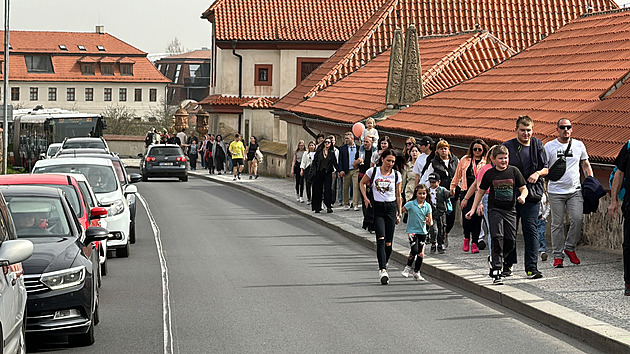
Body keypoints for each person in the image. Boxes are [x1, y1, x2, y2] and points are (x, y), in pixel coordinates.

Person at [466, 145, 528, 284]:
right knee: (497, 237)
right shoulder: (490, 174)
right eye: (500, 158)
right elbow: (480, 192)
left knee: (510, 241)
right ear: (493, 159)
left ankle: (496, 259)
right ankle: (496, 270)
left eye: (505, 158)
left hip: (510, 211)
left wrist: (523, 197)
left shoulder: (514, 171)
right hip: (495, 210)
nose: (504, 161)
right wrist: (473, 207)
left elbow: (524, 188)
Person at [544, 118, 593, 268]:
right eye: (562, 127)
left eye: (568, 127)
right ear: (557, 129)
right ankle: (558, 256)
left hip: (575, 191)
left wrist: (591, 181)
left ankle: (569, 248)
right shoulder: (549, 146)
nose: (565, 129)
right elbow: (544, 168)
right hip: (555, 191)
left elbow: (585, 163)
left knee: (577, 219)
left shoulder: (579, 145)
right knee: (557, 224)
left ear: (572, 129)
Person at [503, 115, 548, 279]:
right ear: (516, 130)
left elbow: (546, 168)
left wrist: (537, 173)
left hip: (532, 195)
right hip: (512, 195)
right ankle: (507, 265)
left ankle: (531, 267)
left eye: (529, 130)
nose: (526, 134)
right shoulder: (508, 146)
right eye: (522, 130)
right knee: (510, 231)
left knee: (531, 230)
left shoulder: (537, 145)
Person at [360, 149, 402, 284]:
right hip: (377, 208)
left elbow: (398, 195)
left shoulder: (396, 174)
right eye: (388, 160)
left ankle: (385, 260)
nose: (390, 163)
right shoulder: (373, 171)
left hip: (390, 208)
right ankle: (382, 270)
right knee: (381, 239)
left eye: (393, 161)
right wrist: (366, 198)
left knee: (389, 243)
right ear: (382, 159)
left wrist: (399, 212)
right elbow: (361, 183)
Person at [421, 139, 459, 249]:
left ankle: (445, 233)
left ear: (448, 149)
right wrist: (425, 191)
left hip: (452, 192)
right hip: (437, 194)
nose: (443, 151)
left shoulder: (455, 160)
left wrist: (459, 187)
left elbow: (459, 174)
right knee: (438, 218)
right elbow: (428, 177)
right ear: (437, 151)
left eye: (445, 148)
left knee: (451, 216)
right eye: (441, 149)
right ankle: (437, 239)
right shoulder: (434, 162)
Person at [452, 139, 488, 254]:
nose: (477, 151)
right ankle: (466, 238)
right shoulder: (464, 160)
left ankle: (475, 242)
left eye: (479, 149)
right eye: (475, 149)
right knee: (467, 217)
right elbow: (457, 175)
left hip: (479, 193)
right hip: (465, 191)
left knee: (478, 218)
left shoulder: (485, 162)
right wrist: (453, 186)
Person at [609, 141, 630, 296]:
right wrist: (613, 200)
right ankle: (629, 282)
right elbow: (619, 173)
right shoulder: (629, 146)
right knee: (629, 244)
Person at [401, 184, 433, 281]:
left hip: (422, 232)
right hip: (412, 231)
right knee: (414, 249)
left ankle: (417, 272)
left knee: (421, 253)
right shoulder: (411, 204)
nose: (422, 195)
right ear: (416, 193)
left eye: (424, 193)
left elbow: (431, 222)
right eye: (420, 193)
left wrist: (428, 221)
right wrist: (397, 217)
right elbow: (401, 210)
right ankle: (407, 268)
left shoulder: (427, 206)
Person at [311, 138, 338, 213]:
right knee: (317, 190)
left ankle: (328, 206)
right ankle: (317, 207)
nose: (327, 143)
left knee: (328, 189)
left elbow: (335, 163)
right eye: (326, 142)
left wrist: (339, 171)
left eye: (329, 142)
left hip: (327, 173)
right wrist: (312, 173)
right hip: (319, 173)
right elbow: (314, 163)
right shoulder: (319, 152)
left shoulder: (332, 153)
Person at [427, 173, 449, 254]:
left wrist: (452, 192)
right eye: (430, 182)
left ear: (438, 182)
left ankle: (441, 244)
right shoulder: (427, 191)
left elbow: (449, 195)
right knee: (433, 229)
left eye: (434, 182)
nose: (432, 184)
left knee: (442, 229)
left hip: (441, 212)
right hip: (431, 213)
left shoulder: (442, 190)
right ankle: (433, 243)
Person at [354, 136, 376, 212]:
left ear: (371, 143)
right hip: (362, 176)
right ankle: (366, 215)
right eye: (364, 142)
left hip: (372, 177)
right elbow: (354, 166)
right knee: (364, 197)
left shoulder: (375, 152)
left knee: (372, 197)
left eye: (367, 142)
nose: (365, 143)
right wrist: (357, 162)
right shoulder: (360, 151)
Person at [338, 132, 359, 211]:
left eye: (347, 138)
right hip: (346, 170)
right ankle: (346, 203)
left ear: (352, 139)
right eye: (345, 138)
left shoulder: (358, 147)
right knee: (345, 187)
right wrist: (341, 170)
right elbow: (340, 160)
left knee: (355, 186)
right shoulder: (342, 148)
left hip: (355, 170)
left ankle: (355, 204)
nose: (346, 140)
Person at [538, 190, 550, 261]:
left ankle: (542, 250)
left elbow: (548, 206)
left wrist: (544, 216)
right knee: (534, 235)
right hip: (533, 217)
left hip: (541, 218)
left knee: (541, 233)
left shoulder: (545, 195)